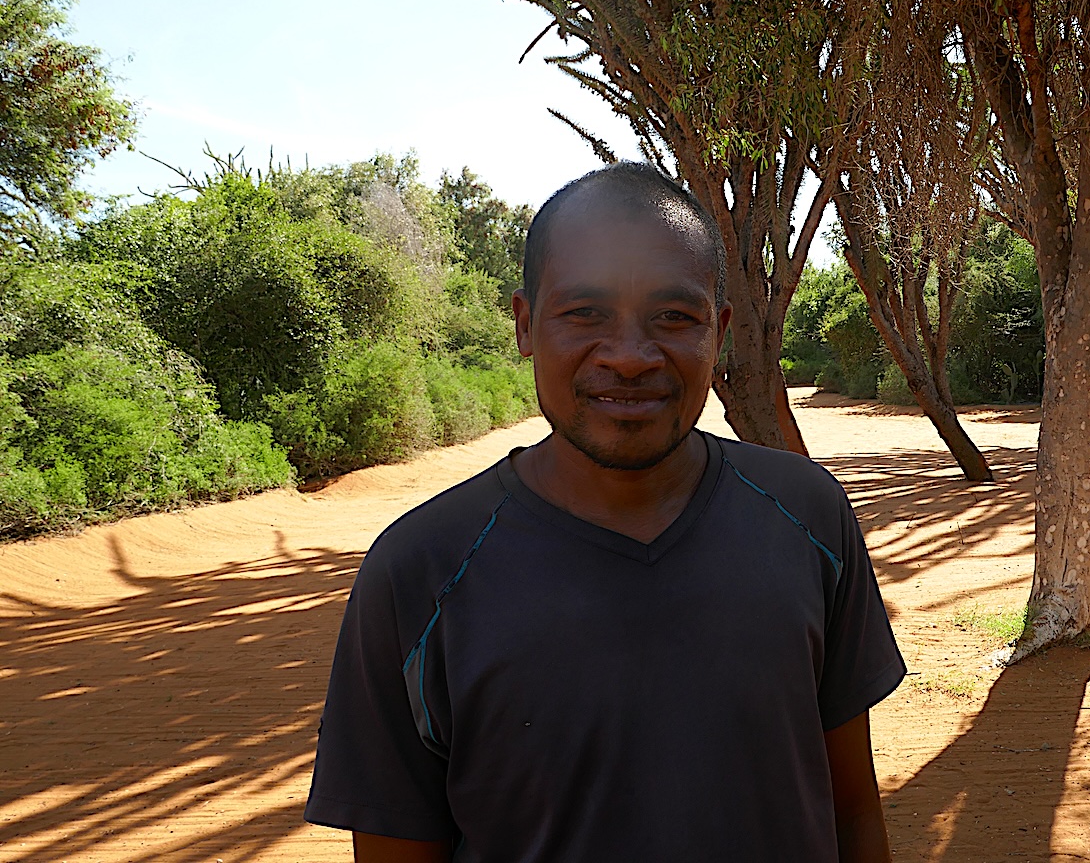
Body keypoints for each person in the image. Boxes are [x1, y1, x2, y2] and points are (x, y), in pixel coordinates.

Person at [304, 162, 907, 863]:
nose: (628, 357)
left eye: (674, 317)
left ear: (720, 330)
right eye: (585, 314)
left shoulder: (808, 515)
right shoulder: (418, 571)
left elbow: (854, 809)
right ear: (526, 325)